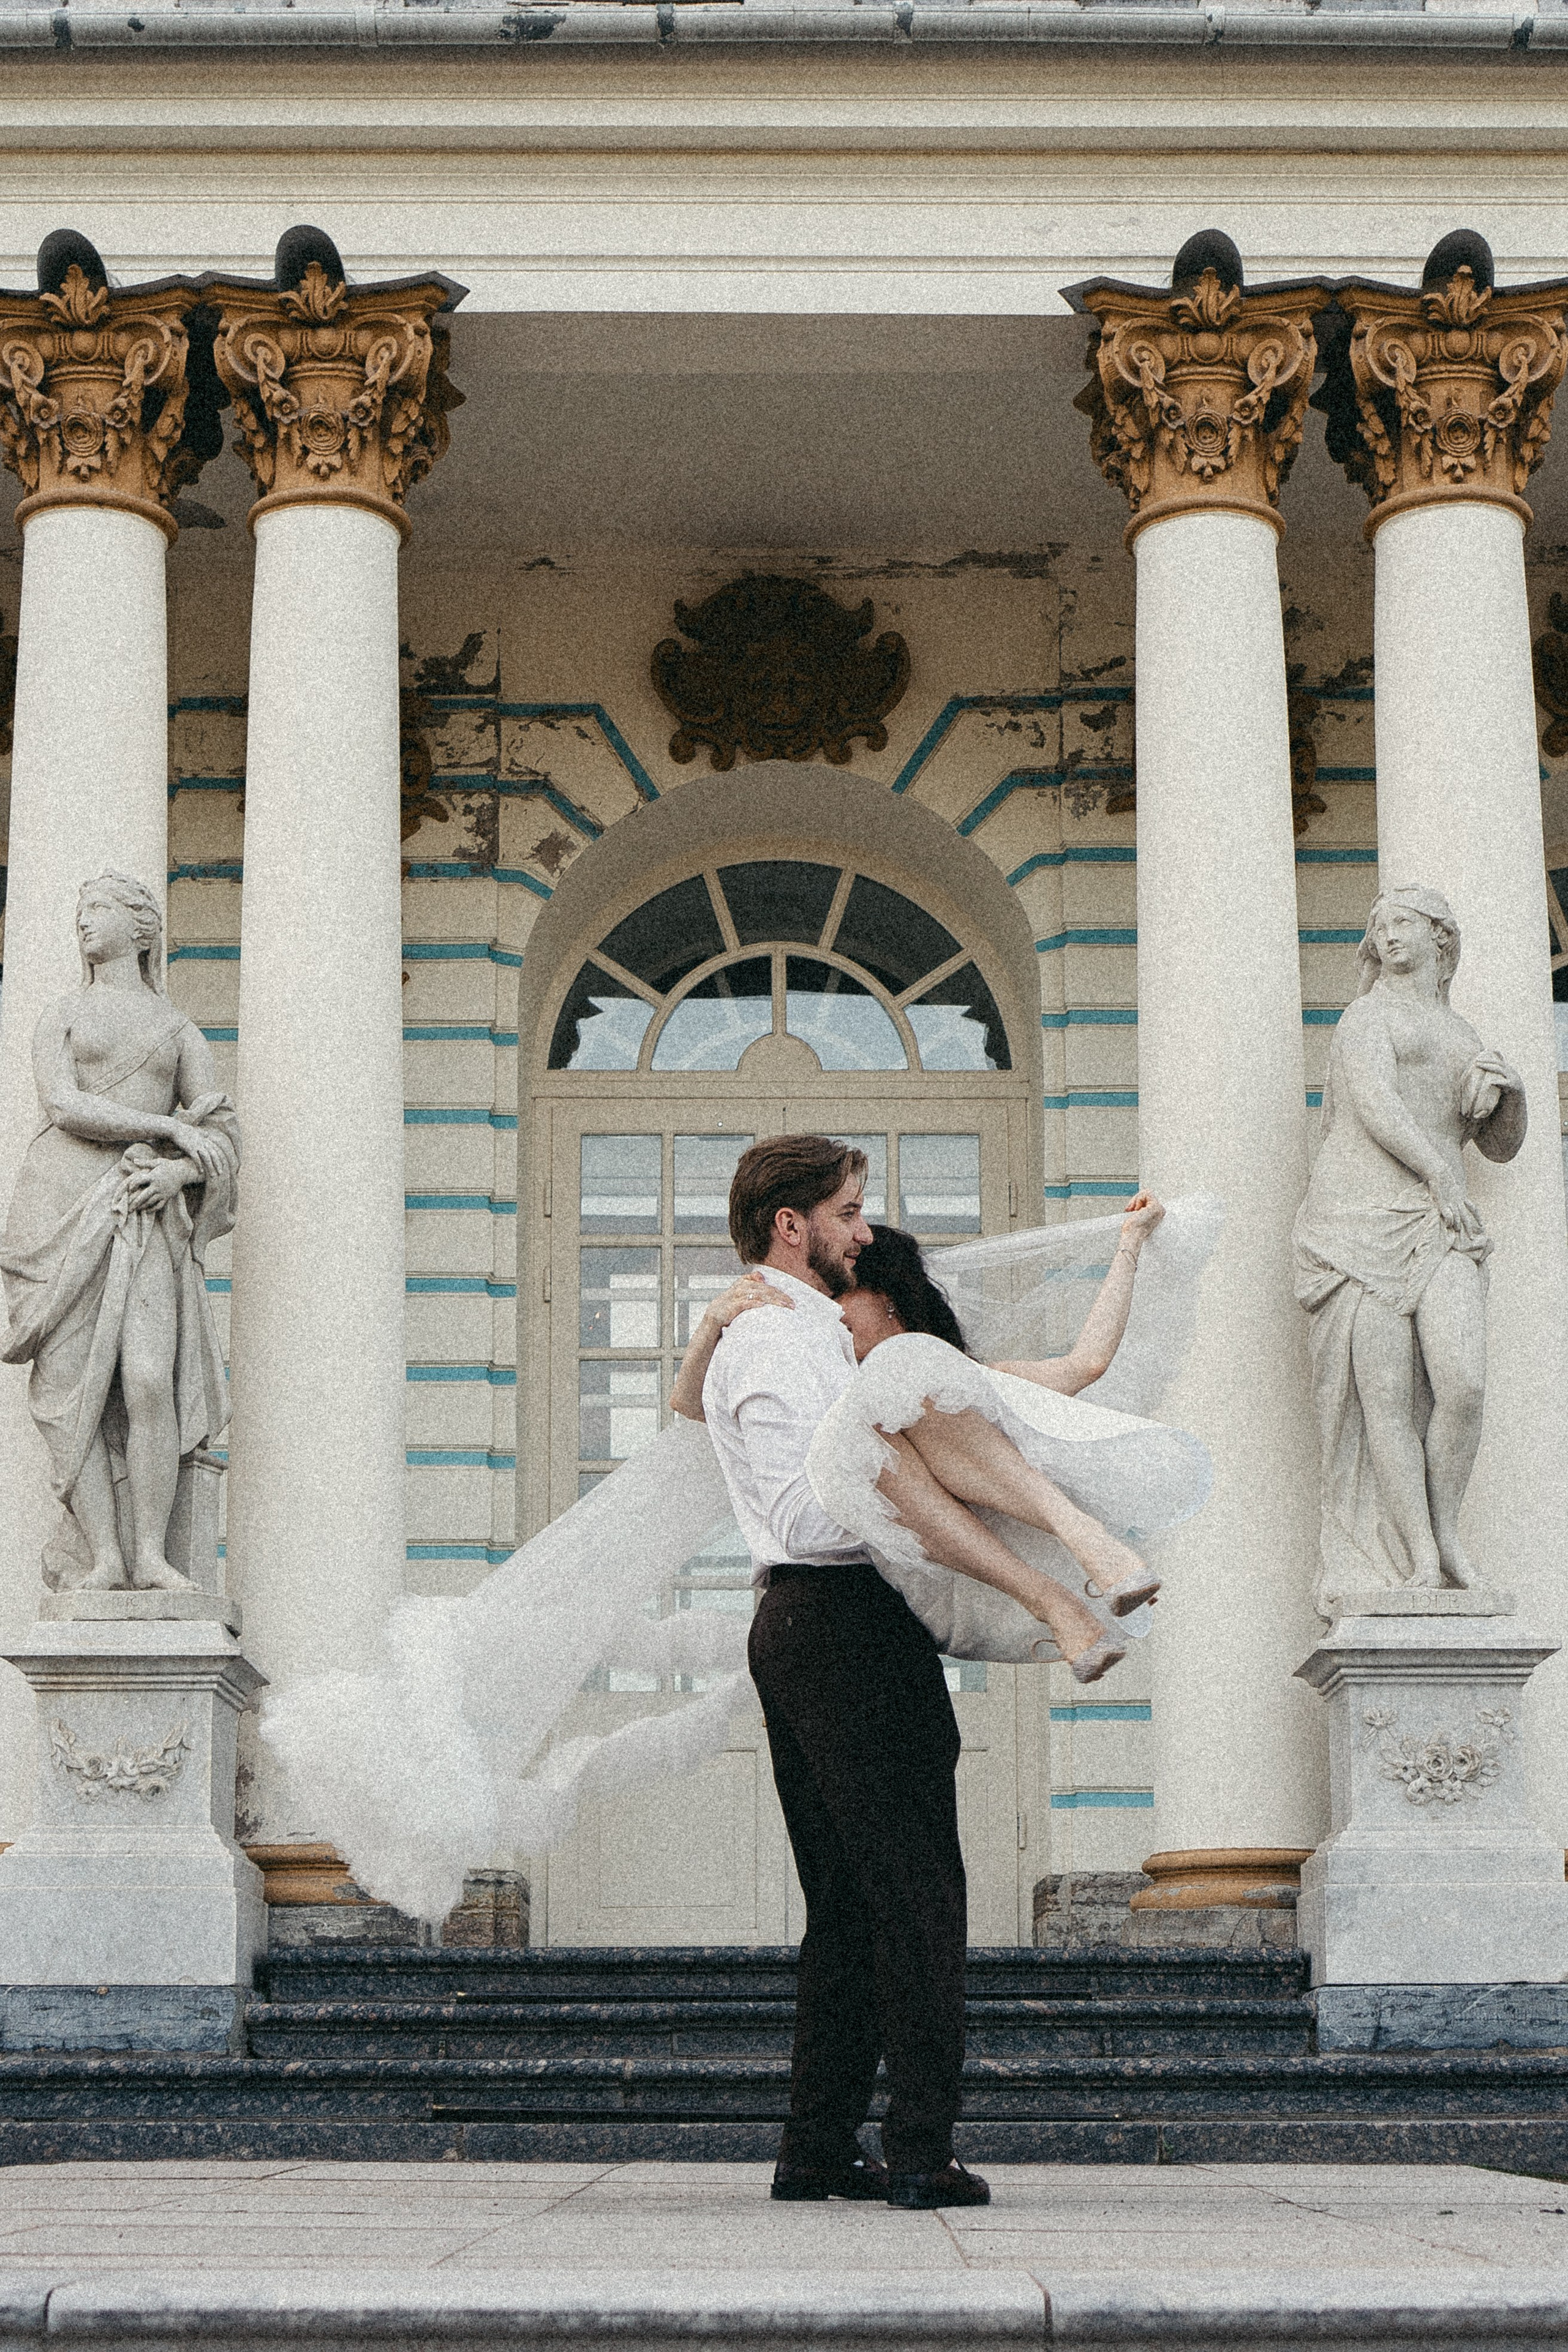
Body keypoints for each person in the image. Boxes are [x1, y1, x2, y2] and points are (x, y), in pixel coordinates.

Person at [678, 1135, 1170, 2215]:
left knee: (852, 1903)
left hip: (815, 1626)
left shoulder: (771, 1327)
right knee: (917, 1895)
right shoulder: (779, 1343)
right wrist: (899, 1486)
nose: (865, 1230)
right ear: (789, 1226)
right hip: (839, 1618)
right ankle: (919, 2150)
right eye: (849, 1211)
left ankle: (815, 2148)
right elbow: (814, 1510)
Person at [0, 873, 239, 1593]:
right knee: (76, 1395)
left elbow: (222, 1133)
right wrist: (166, 1127)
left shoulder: (177, 1030)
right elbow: (64, 1104)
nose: (83, 923)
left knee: (146, 1382)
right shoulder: (63, 1015)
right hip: (62, 1208)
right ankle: (105, 1556)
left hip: (145, 1212)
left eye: (98, 910)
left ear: (142, 930)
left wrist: (177, 1177)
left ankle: (152, 1556)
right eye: (80, 912)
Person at [1292, 883, 1525, 1610]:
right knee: (1382, 1399)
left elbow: (1498, 1145)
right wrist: (1437, 1176)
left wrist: (1511, 1094)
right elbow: (1374, 1103)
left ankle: (1447, 1532)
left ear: (1439, 938)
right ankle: (1421, 1559)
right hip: (1358, 1218)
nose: (1388, 935)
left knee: (1462, 1384)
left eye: (1402, 923)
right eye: (1380, 926)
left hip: (1439, 1221)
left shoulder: (1463, 1036)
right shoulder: (1367, 1015)